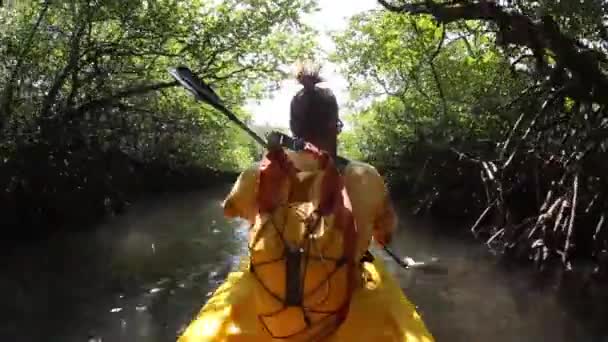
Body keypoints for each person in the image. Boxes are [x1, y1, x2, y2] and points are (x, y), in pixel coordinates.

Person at [223, 63, 398, 264]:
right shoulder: (366, 176)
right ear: (335, 126)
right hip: (342, 293)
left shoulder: (256, 173)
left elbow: (229, 211)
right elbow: (384, 237)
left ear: (293, 127)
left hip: (268, 294)